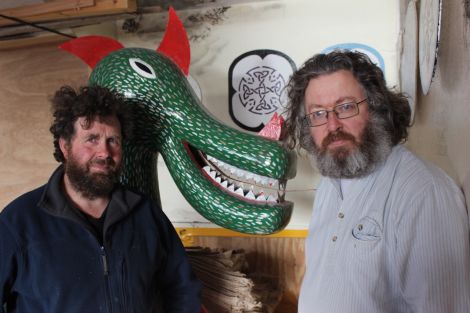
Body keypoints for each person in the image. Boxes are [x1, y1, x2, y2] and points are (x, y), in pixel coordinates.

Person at [284, 50, 470, 312]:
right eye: (318, 114)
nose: (332, 124)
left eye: (346, 106)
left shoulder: (423, 192)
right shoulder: (329, 184)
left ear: (376, 107)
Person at [0, 85, 201, 313]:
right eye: (92, 139)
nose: (105, 152)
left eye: (113, 141)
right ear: (65, 147)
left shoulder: (147, 214)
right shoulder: (17, 223)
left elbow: (182, 290)